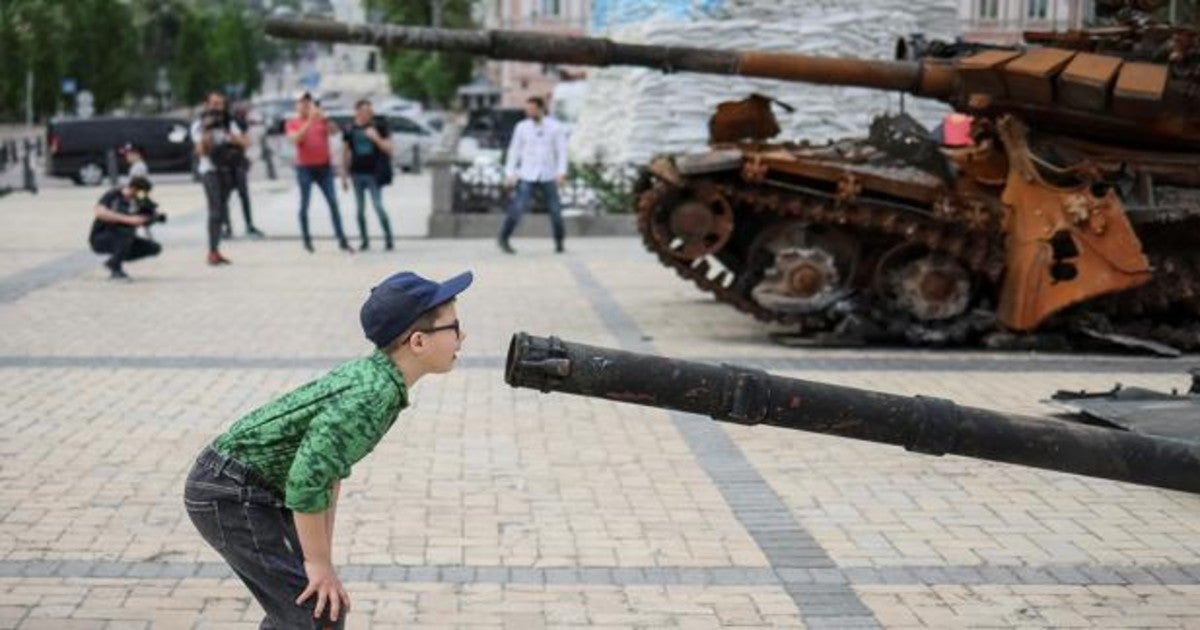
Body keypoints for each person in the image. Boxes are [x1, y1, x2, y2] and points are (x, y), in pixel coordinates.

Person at [184, 269, 472, 629]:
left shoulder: (380, 379)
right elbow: (306, 481)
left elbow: (327, 473)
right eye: (454, 327)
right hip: (229, 492)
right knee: (316, 614)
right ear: (417, 341)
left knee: (317, 608)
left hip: (252, 488)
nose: (462, 336)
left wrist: (320, 559)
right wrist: (317, 565)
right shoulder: (371, 395)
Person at [499, 96, 568, 255]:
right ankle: (504, 238)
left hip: (548, 174)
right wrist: (509, 173)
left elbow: (562, 152)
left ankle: (559, 242)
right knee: (518, 207)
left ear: (541, 108)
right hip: (527, 173)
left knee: (555, 210)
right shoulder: (521, 127)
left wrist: (561, 172)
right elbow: (514, 151)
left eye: (531, 109)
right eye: (527, 109)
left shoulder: (556, 127)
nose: (528, 112)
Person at [286, 92, 352, 253]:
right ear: (298, 106)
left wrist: (325, 118)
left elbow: (336, 132)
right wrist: (309, 120)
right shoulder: (293, 122)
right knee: (304, 204)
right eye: (303, 103)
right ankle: (306, 239)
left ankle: (341, 238)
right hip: (305, 168)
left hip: (324, 167)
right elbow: (295, 139)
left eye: (308, 103)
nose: (306, 106)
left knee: (333, 203)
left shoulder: (320, 120)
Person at [191, 91, 247, 266]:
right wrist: (207, 131)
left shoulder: (229, 123)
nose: (217, 107)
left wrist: (229, 135)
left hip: (227, 170)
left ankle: (215, 249)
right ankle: (212, 252)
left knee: (221, 211)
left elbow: (245, 142)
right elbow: (200, 151)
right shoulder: (199, 125)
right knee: (215, 211)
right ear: (207, 105)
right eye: (214, 103)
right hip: (210, 171)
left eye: (220, 104)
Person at [341, 99, 395, 251]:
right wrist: (343, 175)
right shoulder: (350, 128)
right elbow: (345, 152)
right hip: (357, 173)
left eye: (370, 112)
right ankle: (364, 240)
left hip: (374, 173)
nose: (368, 114)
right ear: (357, 111)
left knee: (378, 206)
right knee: (359, 209)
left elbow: (389, 149)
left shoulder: (379, 126)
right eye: (364, 111)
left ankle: (388, 238)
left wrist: (376, 138)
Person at [89, 176, 163, 280]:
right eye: (140, 192)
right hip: (101, 236)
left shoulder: (140, 198)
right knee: (127, 232)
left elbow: (150, 212)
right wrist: (129, 219)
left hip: (124, 238)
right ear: (133, 188)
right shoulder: (114, 195)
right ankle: (116, 268)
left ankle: (114, 260)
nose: (141, 195)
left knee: (154, 248)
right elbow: (100, 212)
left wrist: (150, 218)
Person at [224, 103, 266, 240]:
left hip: (238, 162)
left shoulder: (238, 123)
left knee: (243, 195)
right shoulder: (224, 124)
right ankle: (227, 226)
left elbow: (245, 141)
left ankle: (247, 225)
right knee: (225, 197)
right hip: (225, 164)